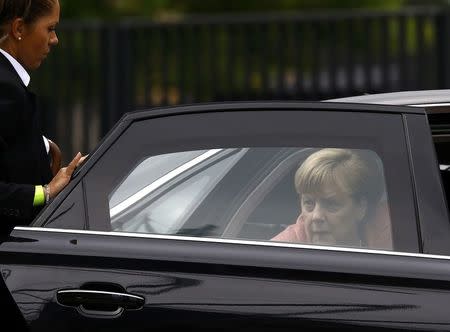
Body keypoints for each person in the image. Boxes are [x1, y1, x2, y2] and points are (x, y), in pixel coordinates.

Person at [0, 0, 85, 235]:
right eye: (50, 28)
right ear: (18, 29)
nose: (55, 39)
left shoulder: (11, 85)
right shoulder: (6, 89)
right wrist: (46, 192)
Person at [271, 148, 392, 249]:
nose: (316, 216)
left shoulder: (390, 229)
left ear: (361, 208)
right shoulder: (285, 247)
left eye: (331, 204)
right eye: (309, 203)